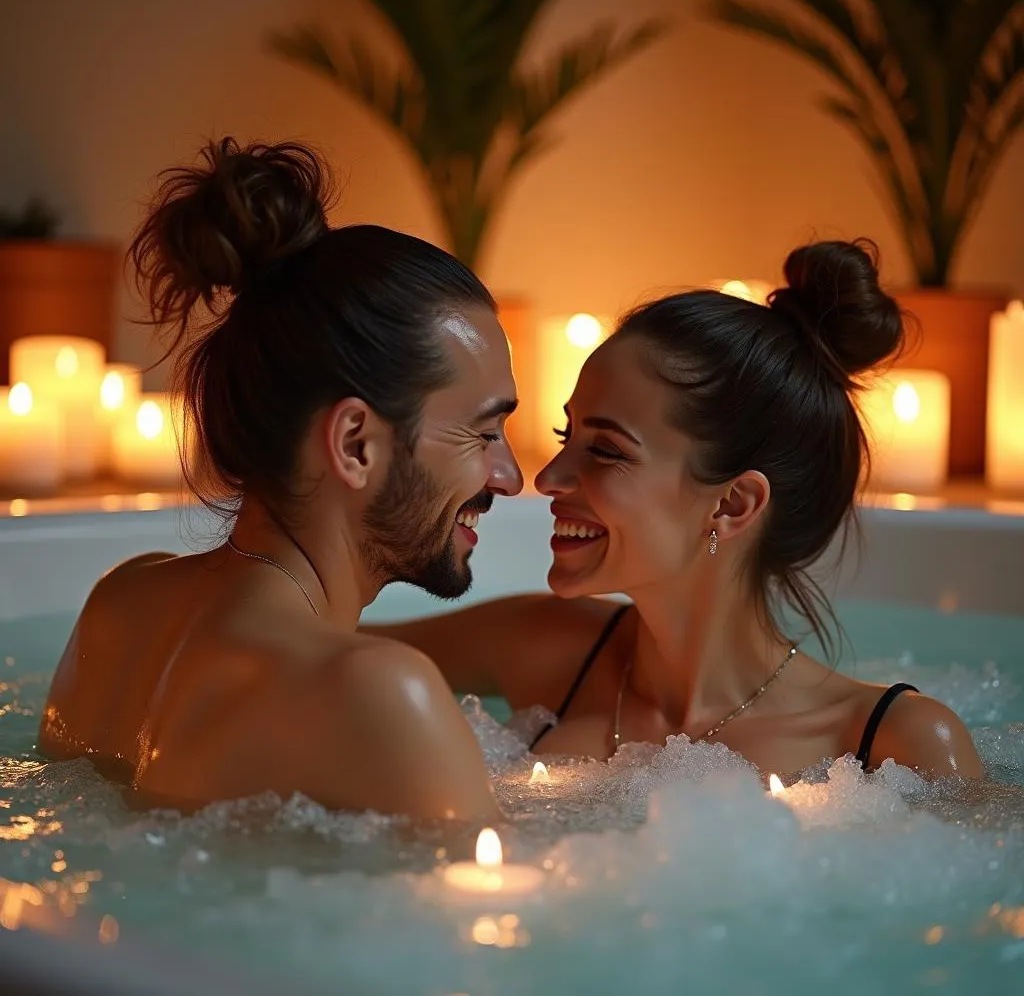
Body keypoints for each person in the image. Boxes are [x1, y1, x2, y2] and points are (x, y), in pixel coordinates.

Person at [367, 240, 985, 780]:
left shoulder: (894, 745)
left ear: (734, 503)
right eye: (567, 437)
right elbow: (306, 653)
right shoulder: (544, 645)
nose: (550, 478)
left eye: (605, 450)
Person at [38, 138, 524, 818]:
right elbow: (490, 916)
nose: (509, 474)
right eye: (483, 431)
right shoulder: (378, 691)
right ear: (355, 443)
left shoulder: (118, 607)